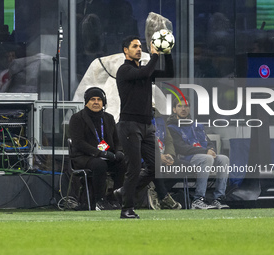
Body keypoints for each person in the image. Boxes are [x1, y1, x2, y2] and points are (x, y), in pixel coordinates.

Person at [114, 35, 175, 218]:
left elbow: (169, 74)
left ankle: (123, 192)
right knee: (133, 168)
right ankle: (127, 209)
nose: (139, 49)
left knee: (155, 167)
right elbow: (145, 73)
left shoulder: (144, 70)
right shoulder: (124, 70)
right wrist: (155, 56)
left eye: (140, 46)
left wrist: (167, 54)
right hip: (129, 125)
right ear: (126, 50)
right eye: (135, 46)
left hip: (147, 125)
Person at [167, 96, 230, 209]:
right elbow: (181, 148)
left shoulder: (196, 126)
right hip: (186, 158)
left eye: (186, 106)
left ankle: (218, 198)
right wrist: (206, 151)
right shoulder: (171, 127)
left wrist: (212, 150)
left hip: (204, 156)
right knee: (207, 158)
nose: (183, 109)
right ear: (174, 109)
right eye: (179, 106)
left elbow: (208, 142)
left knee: (224, 159)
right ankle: (198, 199)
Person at [68, 87, 126, 210]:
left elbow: (116, 140)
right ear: (86, 102)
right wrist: (100, 153)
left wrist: (119, 151)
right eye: (92, 99)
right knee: (99, 164)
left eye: (99, 99)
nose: (96, 102)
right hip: (83, 156)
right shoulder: (77, 118)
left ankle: (114, 198)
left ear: (103, 102)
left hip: (105, 155)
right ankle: (100, 201)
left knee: (122, 163)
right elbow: (78, 143)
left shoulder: (109, 118)